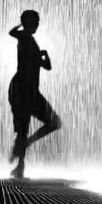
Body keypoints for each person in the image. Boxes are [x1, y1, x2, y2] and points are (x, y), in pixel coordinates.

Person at [6, 10, 62, 179]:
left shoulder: (31, 41)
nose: (37, 25)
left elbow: (48, 67)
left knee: (53, 122)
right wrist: (23, 25)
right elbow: (12, 32)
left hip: (30, 90)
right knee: (24, 128)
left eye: (37, 22)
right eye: (35, 22)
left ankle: (24, 147)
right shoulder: (25, 37)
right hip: (21, 88)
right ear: (29, 23)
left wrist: (45, 55)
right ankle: (20, 165)